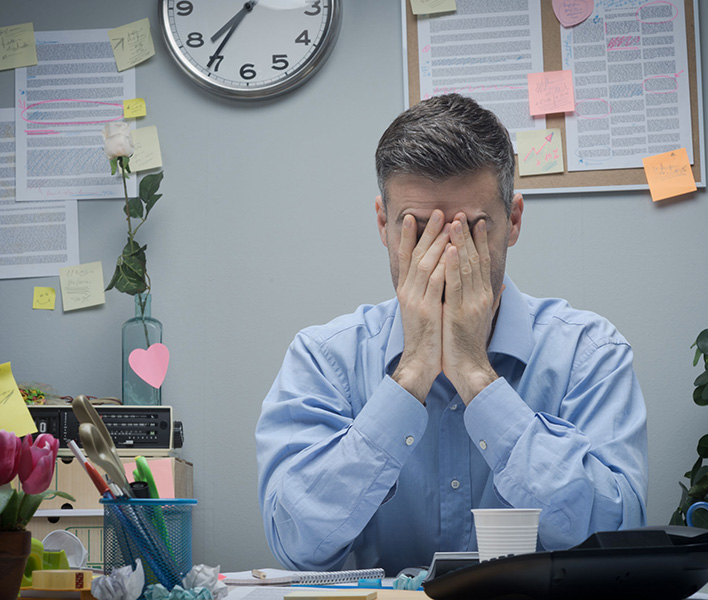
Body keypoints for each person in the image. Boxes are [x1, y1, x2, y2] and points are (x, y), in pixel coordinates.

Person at [256, 93, 648, 575]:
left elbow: (617, 538)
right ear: (383, 223)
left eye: (471, 230)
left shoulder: (589, 353)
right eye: (417, 229)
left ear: (514, 221)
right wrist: (412, 374)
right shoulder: (323, 358)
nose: (443, 253)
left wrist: (477, 377)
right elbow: (296, 542)